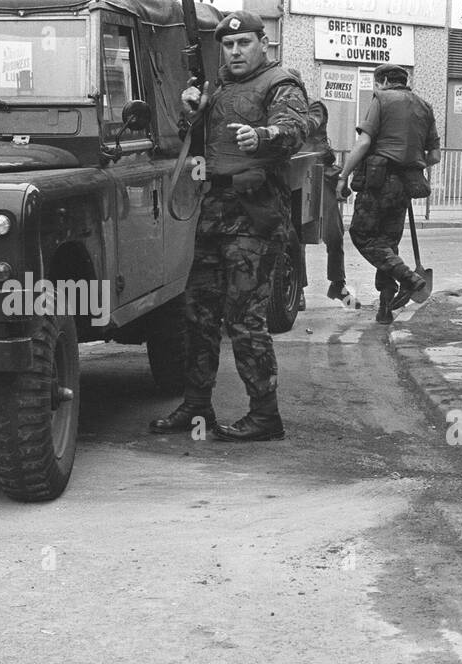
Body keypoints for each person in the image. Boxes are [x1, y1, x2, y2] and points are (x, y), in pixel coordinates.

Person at [149, 12, 313, 442]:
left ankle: (264, 416)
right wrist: (194, 113)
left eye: (244, 42)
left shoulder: (281, 83)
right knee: (198, 314)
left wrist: (263, 136)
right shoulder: (219, 87)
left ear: (263, 43)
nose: (236, 51)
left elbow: (297, 128)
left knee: (244, 320)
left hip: (255, 215)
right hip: (216, 208)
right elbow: (197, 140)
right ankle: (196, 404)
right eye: (228, 44)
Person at [338, 63, 441, 325]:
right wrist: (408, 165)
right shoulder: (425, 107)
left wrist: (343, 175)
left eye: (376, 84)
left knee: (362, 235)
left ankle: (408, 278)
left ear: (382, 81)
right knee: (387, 243)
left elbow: (364, 142)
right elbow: (434, 156)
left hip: (378, 183)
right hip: (405, 186)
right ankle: (385, 309)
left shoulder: (381, 99)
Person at [306, 99, 361, 310]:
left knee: (334, 233)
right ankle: (297, 291)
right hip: (295, 173)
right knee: (297, 235)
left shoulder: (314, 106)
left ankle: (338, 284)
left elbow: (310, 124)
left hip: (320, 174)